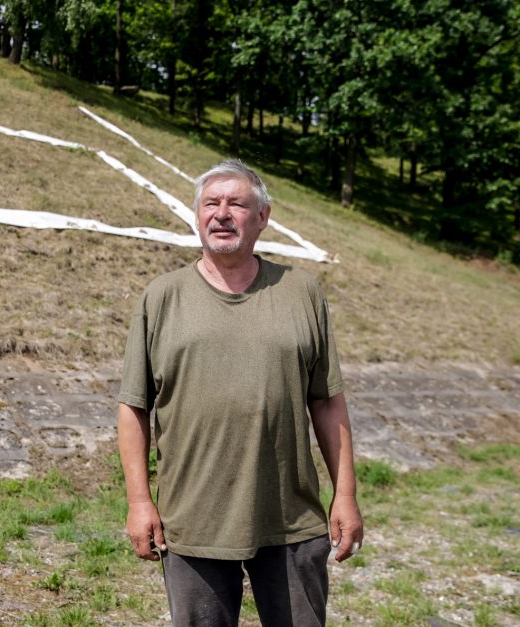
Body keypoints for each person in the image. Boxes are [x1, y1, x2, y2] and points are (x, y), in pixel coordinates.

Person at [117, 159, 363, 626]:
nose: (222, 213)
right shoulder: (162, 297)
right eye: (211, 203)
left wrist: (345, 494)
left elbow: (328, 402)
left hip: (290, 518)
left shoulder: (301, 292)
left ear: (262, 217)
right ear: (197, 215)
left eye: (237, 203)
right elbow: (134, 407)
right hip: (191, 521)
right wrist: (139, 502)